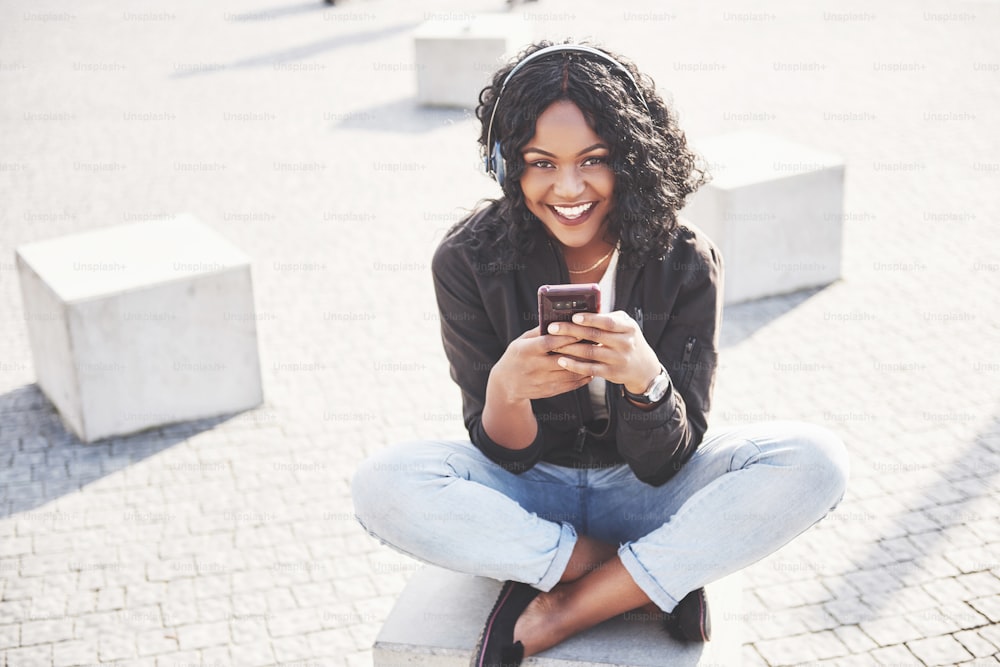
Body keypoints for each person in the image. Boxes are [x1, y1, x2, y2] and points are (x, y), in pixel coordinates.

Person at [352, 40, 849, 667]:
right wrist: (508, 389)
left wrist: (648, 382)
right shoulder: (466, 260)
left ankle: (571, 603)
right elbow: (505, 454)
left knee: (815, 460)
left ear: (633, 160)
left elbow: (669, 460)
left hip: (646, 492)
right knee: (383, 485)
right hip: (529, 492)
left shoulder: (685, 259)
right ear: (504, 164)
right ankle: (632, 577)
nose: (568, 188)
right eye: (540, 162)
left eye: (594, 160)